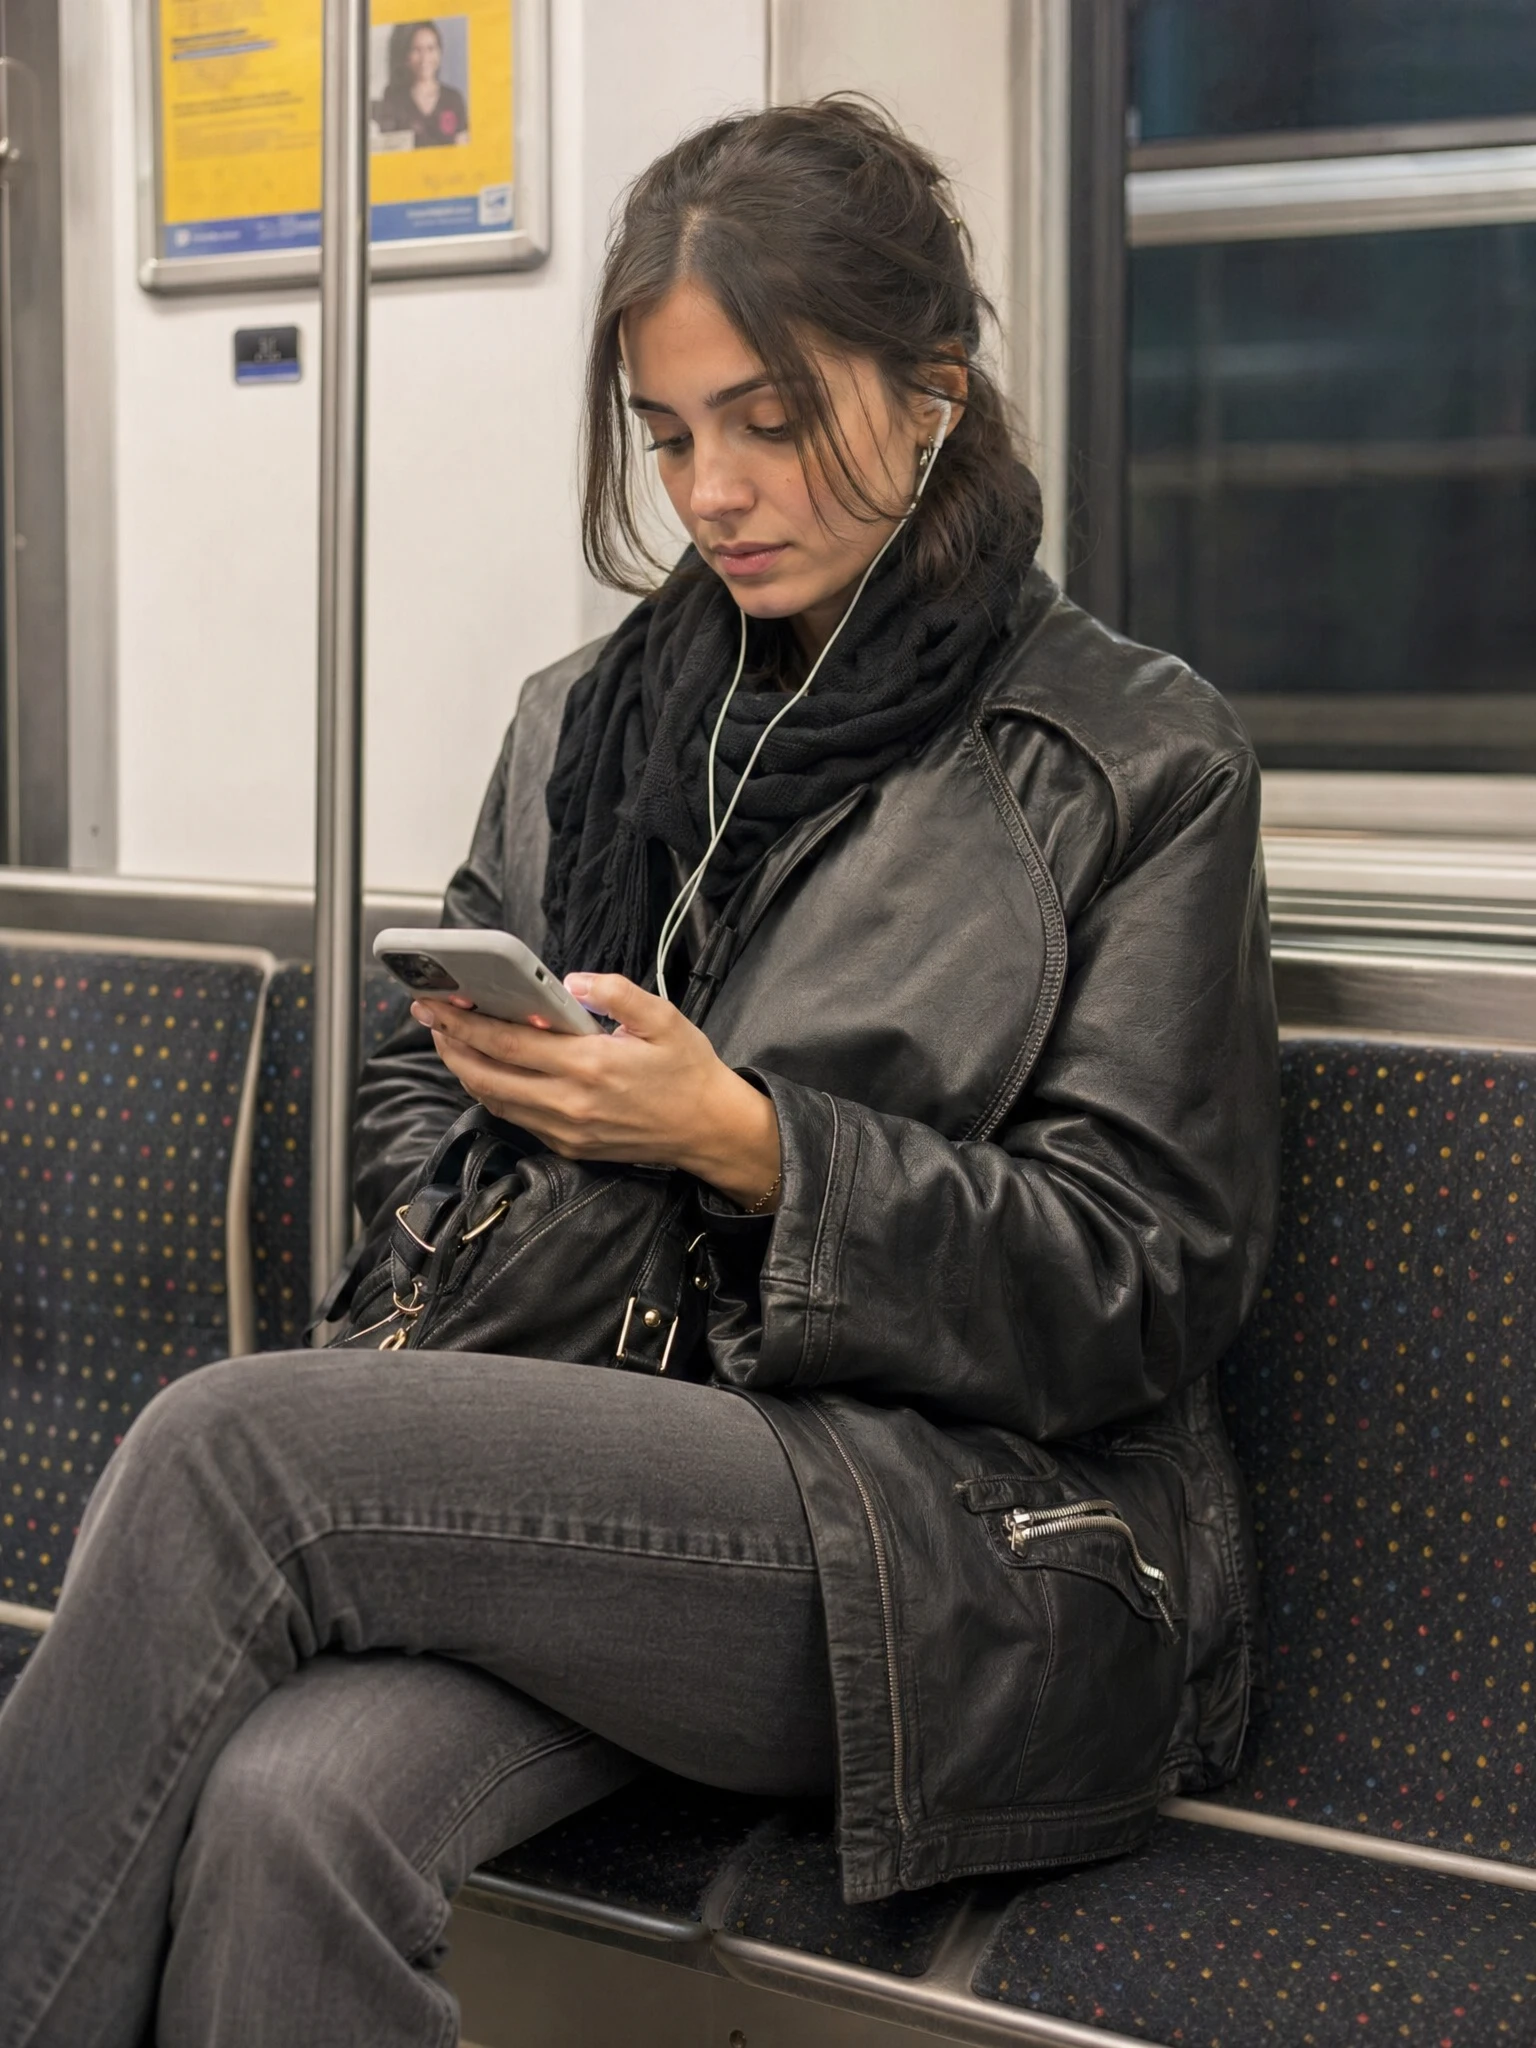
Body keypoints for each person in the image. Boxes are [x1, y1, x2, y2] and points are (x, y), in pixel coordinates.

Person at [0, 98, 1279, 2048]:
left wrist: (757, 1149)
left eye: (773, 419)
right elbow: (409, 1093)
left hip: (944, 1541)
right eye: (672, 434)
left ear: (933, 394)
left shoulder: (1129, 757)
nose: (717, 490)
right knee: (284, 1813)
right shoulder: (591, 720)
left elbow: (1142, 1280)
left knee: (233, 1449)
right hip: (587, 1451)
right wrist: (514, 1148)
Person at [373, 20, 469, 149]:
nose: (425, 58)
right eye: (417, 49)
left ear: (439, 53)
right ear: (407, 57)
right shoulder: (393, 98)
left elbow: (463, 149)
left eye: (431, 49)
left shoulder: (453, 99)